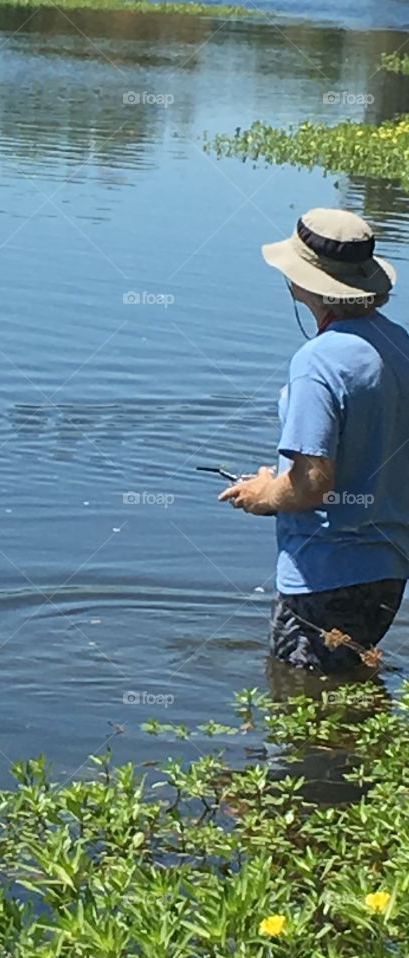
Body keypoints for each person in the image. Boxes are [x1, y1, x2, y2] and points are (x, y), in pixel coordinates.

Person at [219, 208, 409, 672]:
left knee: (298, 698)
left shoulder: (318, 362)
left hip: (323, 574)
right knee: (340, 697)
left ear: (303, 281)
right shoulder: (401, 344)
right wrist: (276, 481)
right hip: (388, 571)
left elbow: (312, 484)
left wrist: (264, 494)